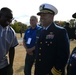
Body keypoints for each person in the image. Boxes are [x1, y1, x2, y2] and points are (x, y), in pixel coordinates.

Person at [34, 3, 70, 75]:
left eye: (44, 15)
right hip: (39, 71)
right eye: (40, 15)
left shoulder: (60, 31)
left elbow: (63, 56)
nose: (41, 17)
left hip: (52, 72)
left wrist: (53, 72)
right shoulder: (40, 31)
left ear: (52, 16)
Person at [0, 7, 18, 75]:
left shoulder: (11, 32)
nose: (9, 20)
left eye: (11, 18)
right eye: (7, 17)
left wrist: (11, 66)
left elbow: (12, 49)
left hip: (3, 66)